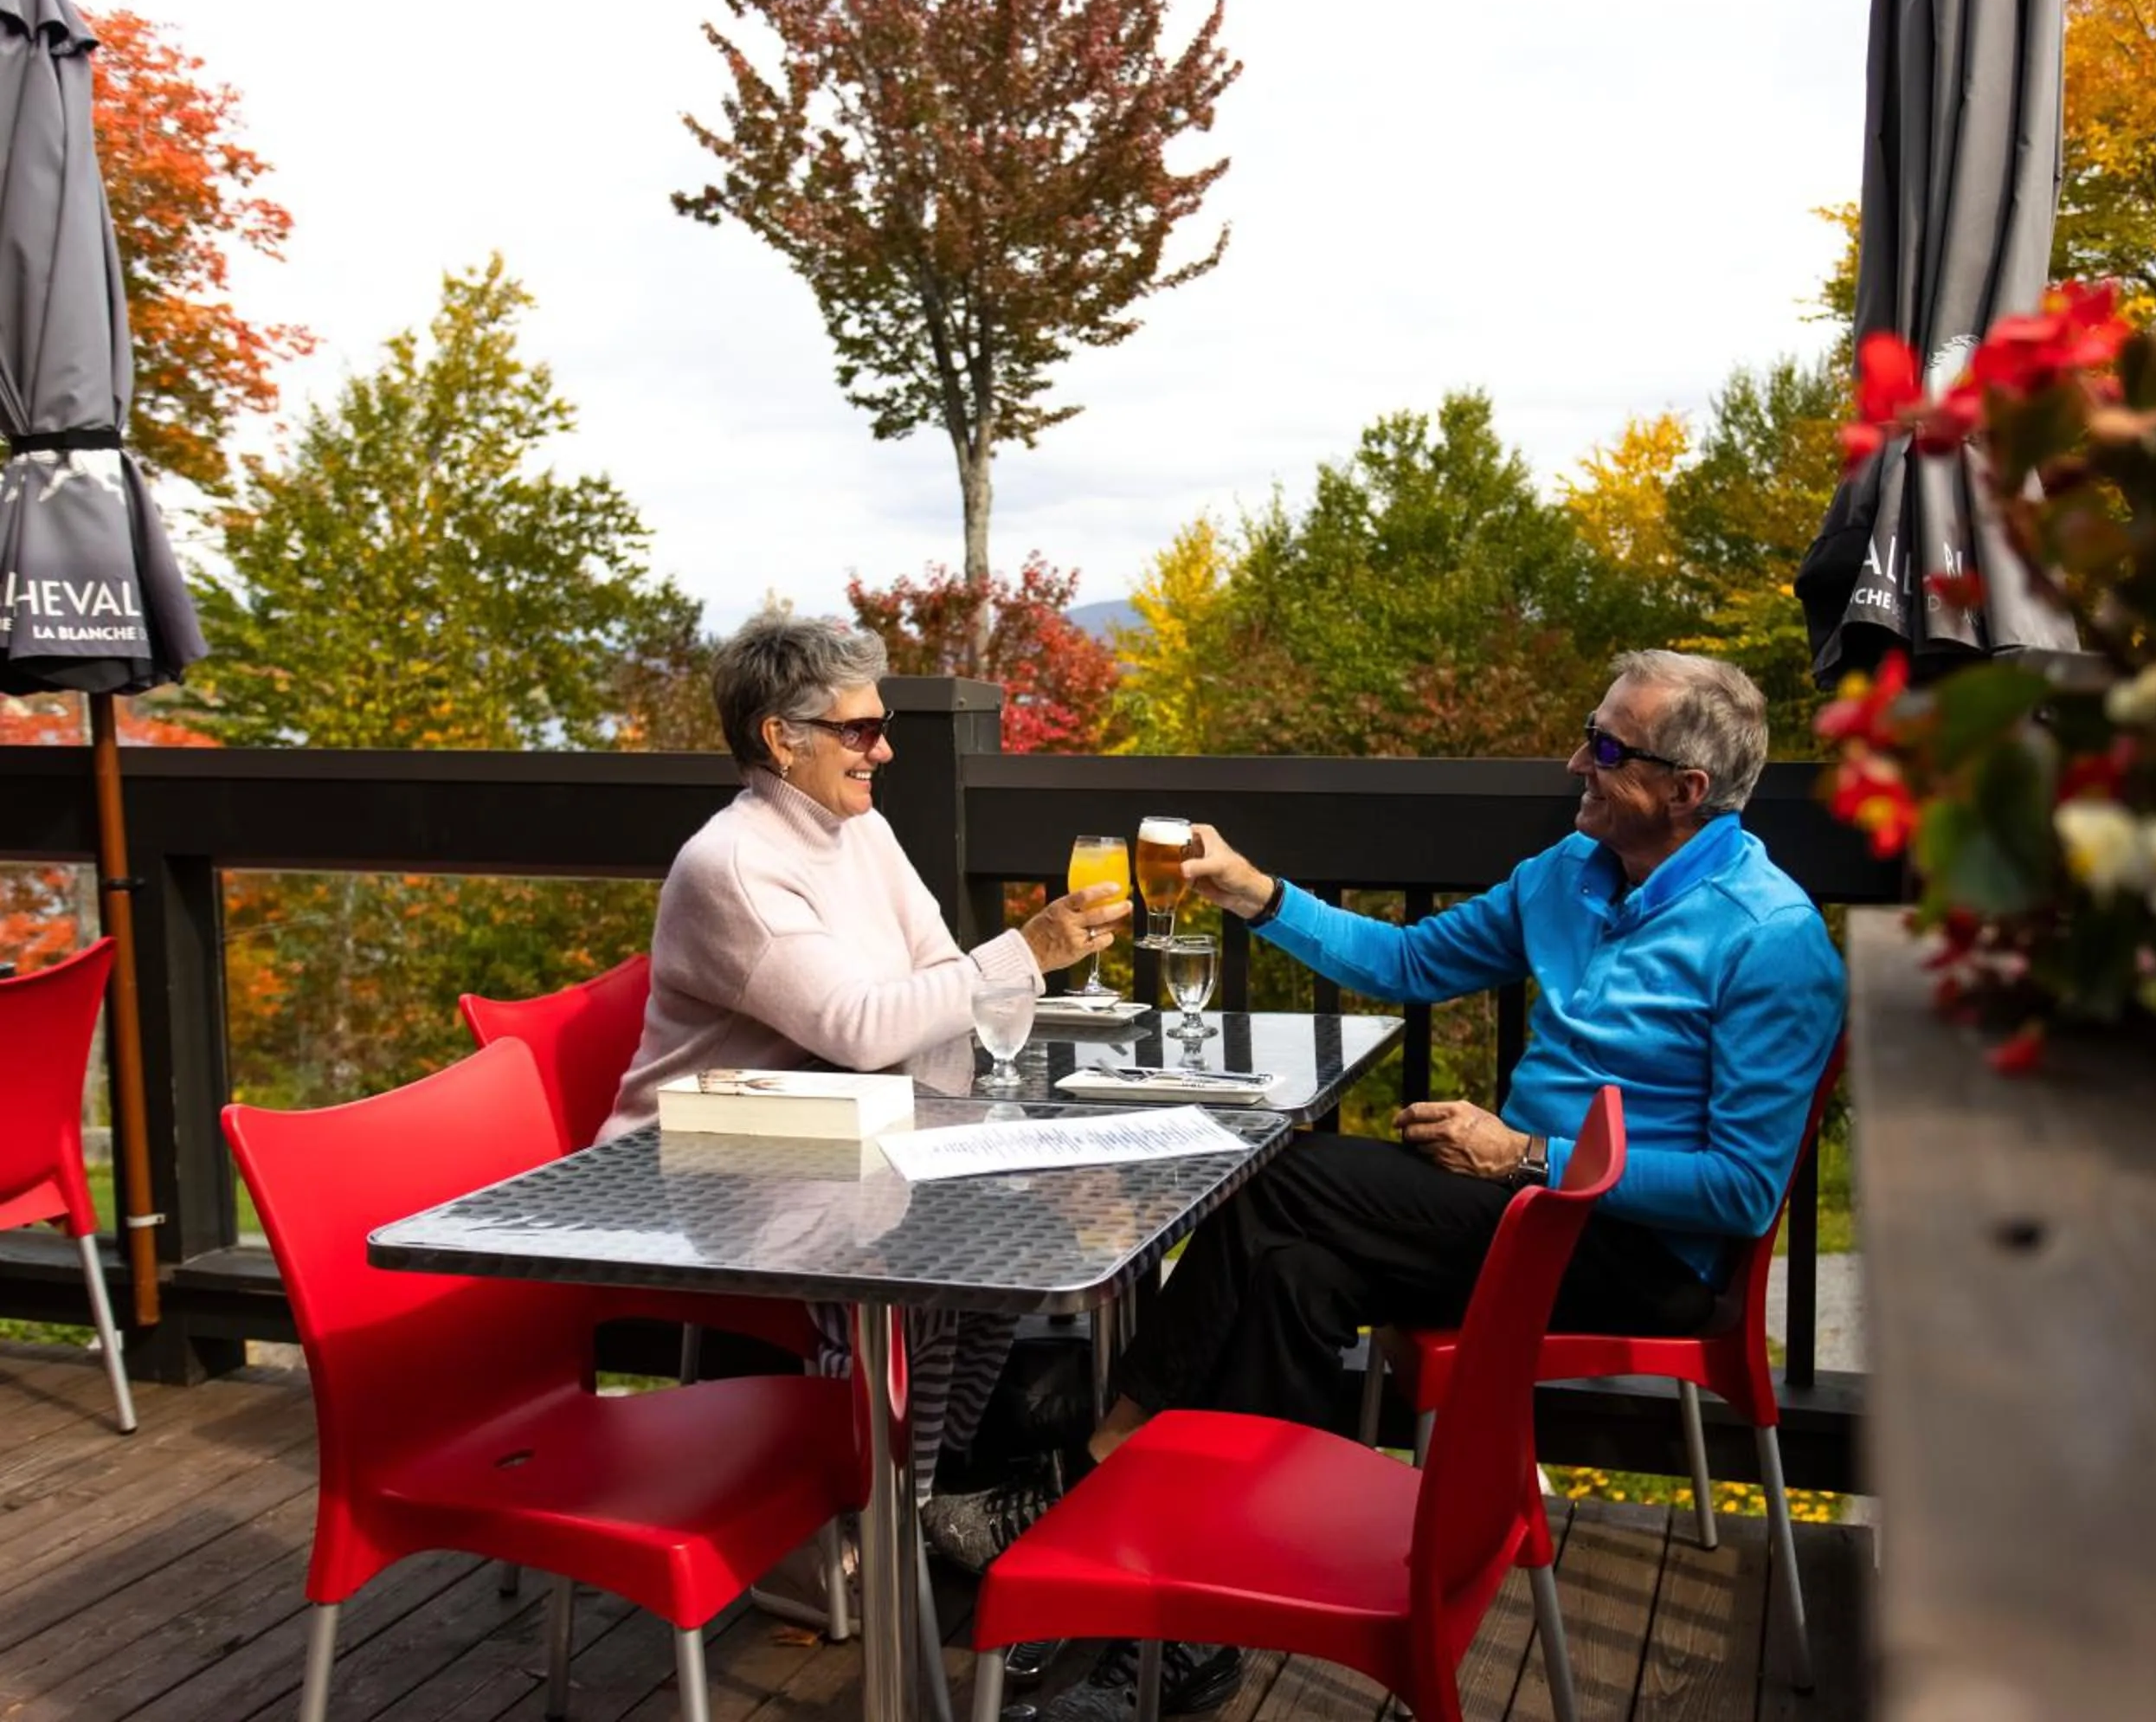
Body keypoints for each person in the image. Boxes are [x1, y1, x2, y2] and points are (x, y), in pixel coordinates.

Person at [1032, 650, 1844, 1721]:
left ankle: (1104, 1459)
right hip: (1514, 1210)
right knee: (1293, 1270)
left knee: (1293, 1172)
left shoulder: (1771, 939)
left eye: (1605, 748)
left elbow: (1739, 1192)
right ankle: (1214, 1615)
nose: (1574, 763)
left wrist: (1527, 1157)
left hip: (1636, 1252)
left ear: (1684, 791)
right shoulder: (1568, 872)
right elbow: (1412, 963)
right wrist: (1254, 893)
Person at [602, 611, 1130, 1581]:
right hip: (702, 1168)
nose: (883, 749)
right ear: (780, 737)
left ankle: (921, 1492)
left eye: (880, 727)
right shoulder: (735, 866)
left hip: (837, 1137)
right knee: (927, 1268)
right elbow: (863, 1025)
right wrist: (1029, 952)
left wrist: (967, 1048)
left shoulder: (863, 828)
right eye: (860, 730)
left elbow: (932, 974)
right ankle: (877, 1523)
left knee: (1013, 1246)